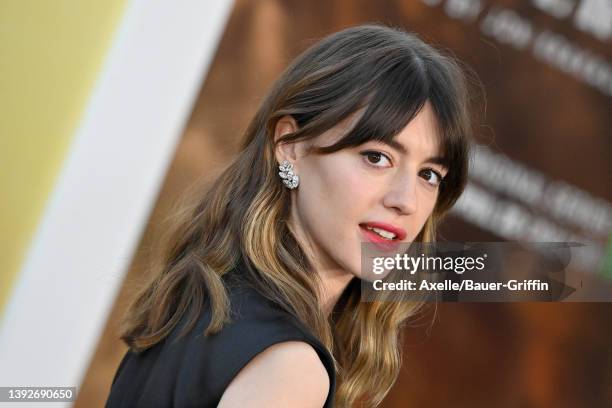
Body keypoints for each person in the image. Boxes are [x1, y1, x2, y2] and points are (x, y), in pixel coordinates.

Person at [105, 23, 478, 408]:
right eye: (376, 157)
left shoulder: (197, 301)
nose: (407, 201)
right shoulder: (290, 367)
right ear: (289, 146)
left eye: (429, 175)